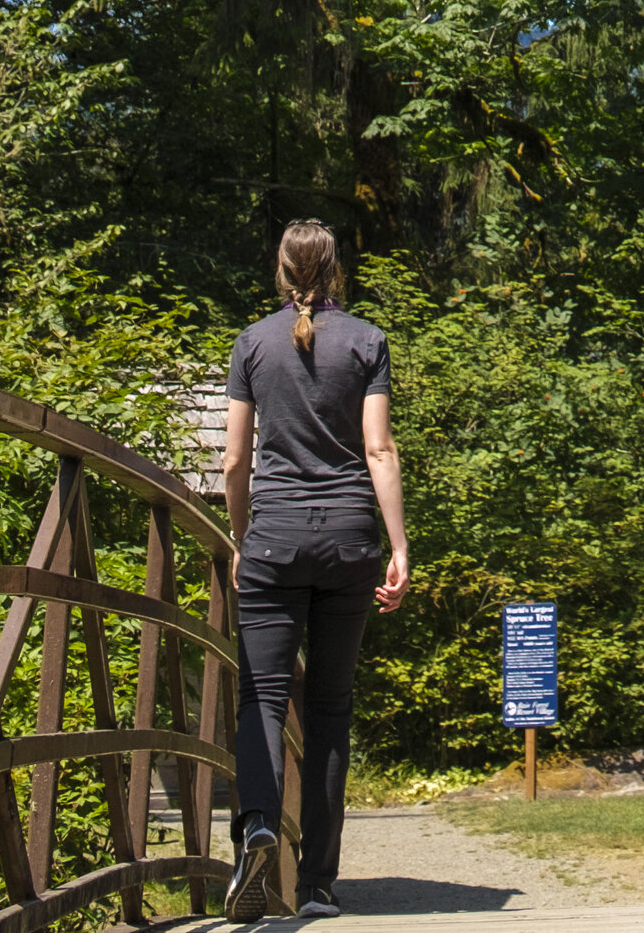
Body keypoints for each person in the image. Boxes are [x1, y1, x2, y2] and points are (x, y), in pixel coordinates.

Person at [221, 221, 410, 922]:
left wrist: (242, 537)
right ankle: (320, 887)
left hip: (273, 539)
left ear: (279, 269)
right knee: (329, 709)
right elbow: (379, 449)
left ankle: (259, 826)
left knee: (262, 698)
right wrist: (398, 546)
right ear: (336, 270)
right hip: (348, 543)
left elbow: (236, 459)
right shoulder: (367, 341)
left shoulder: (252, 343)